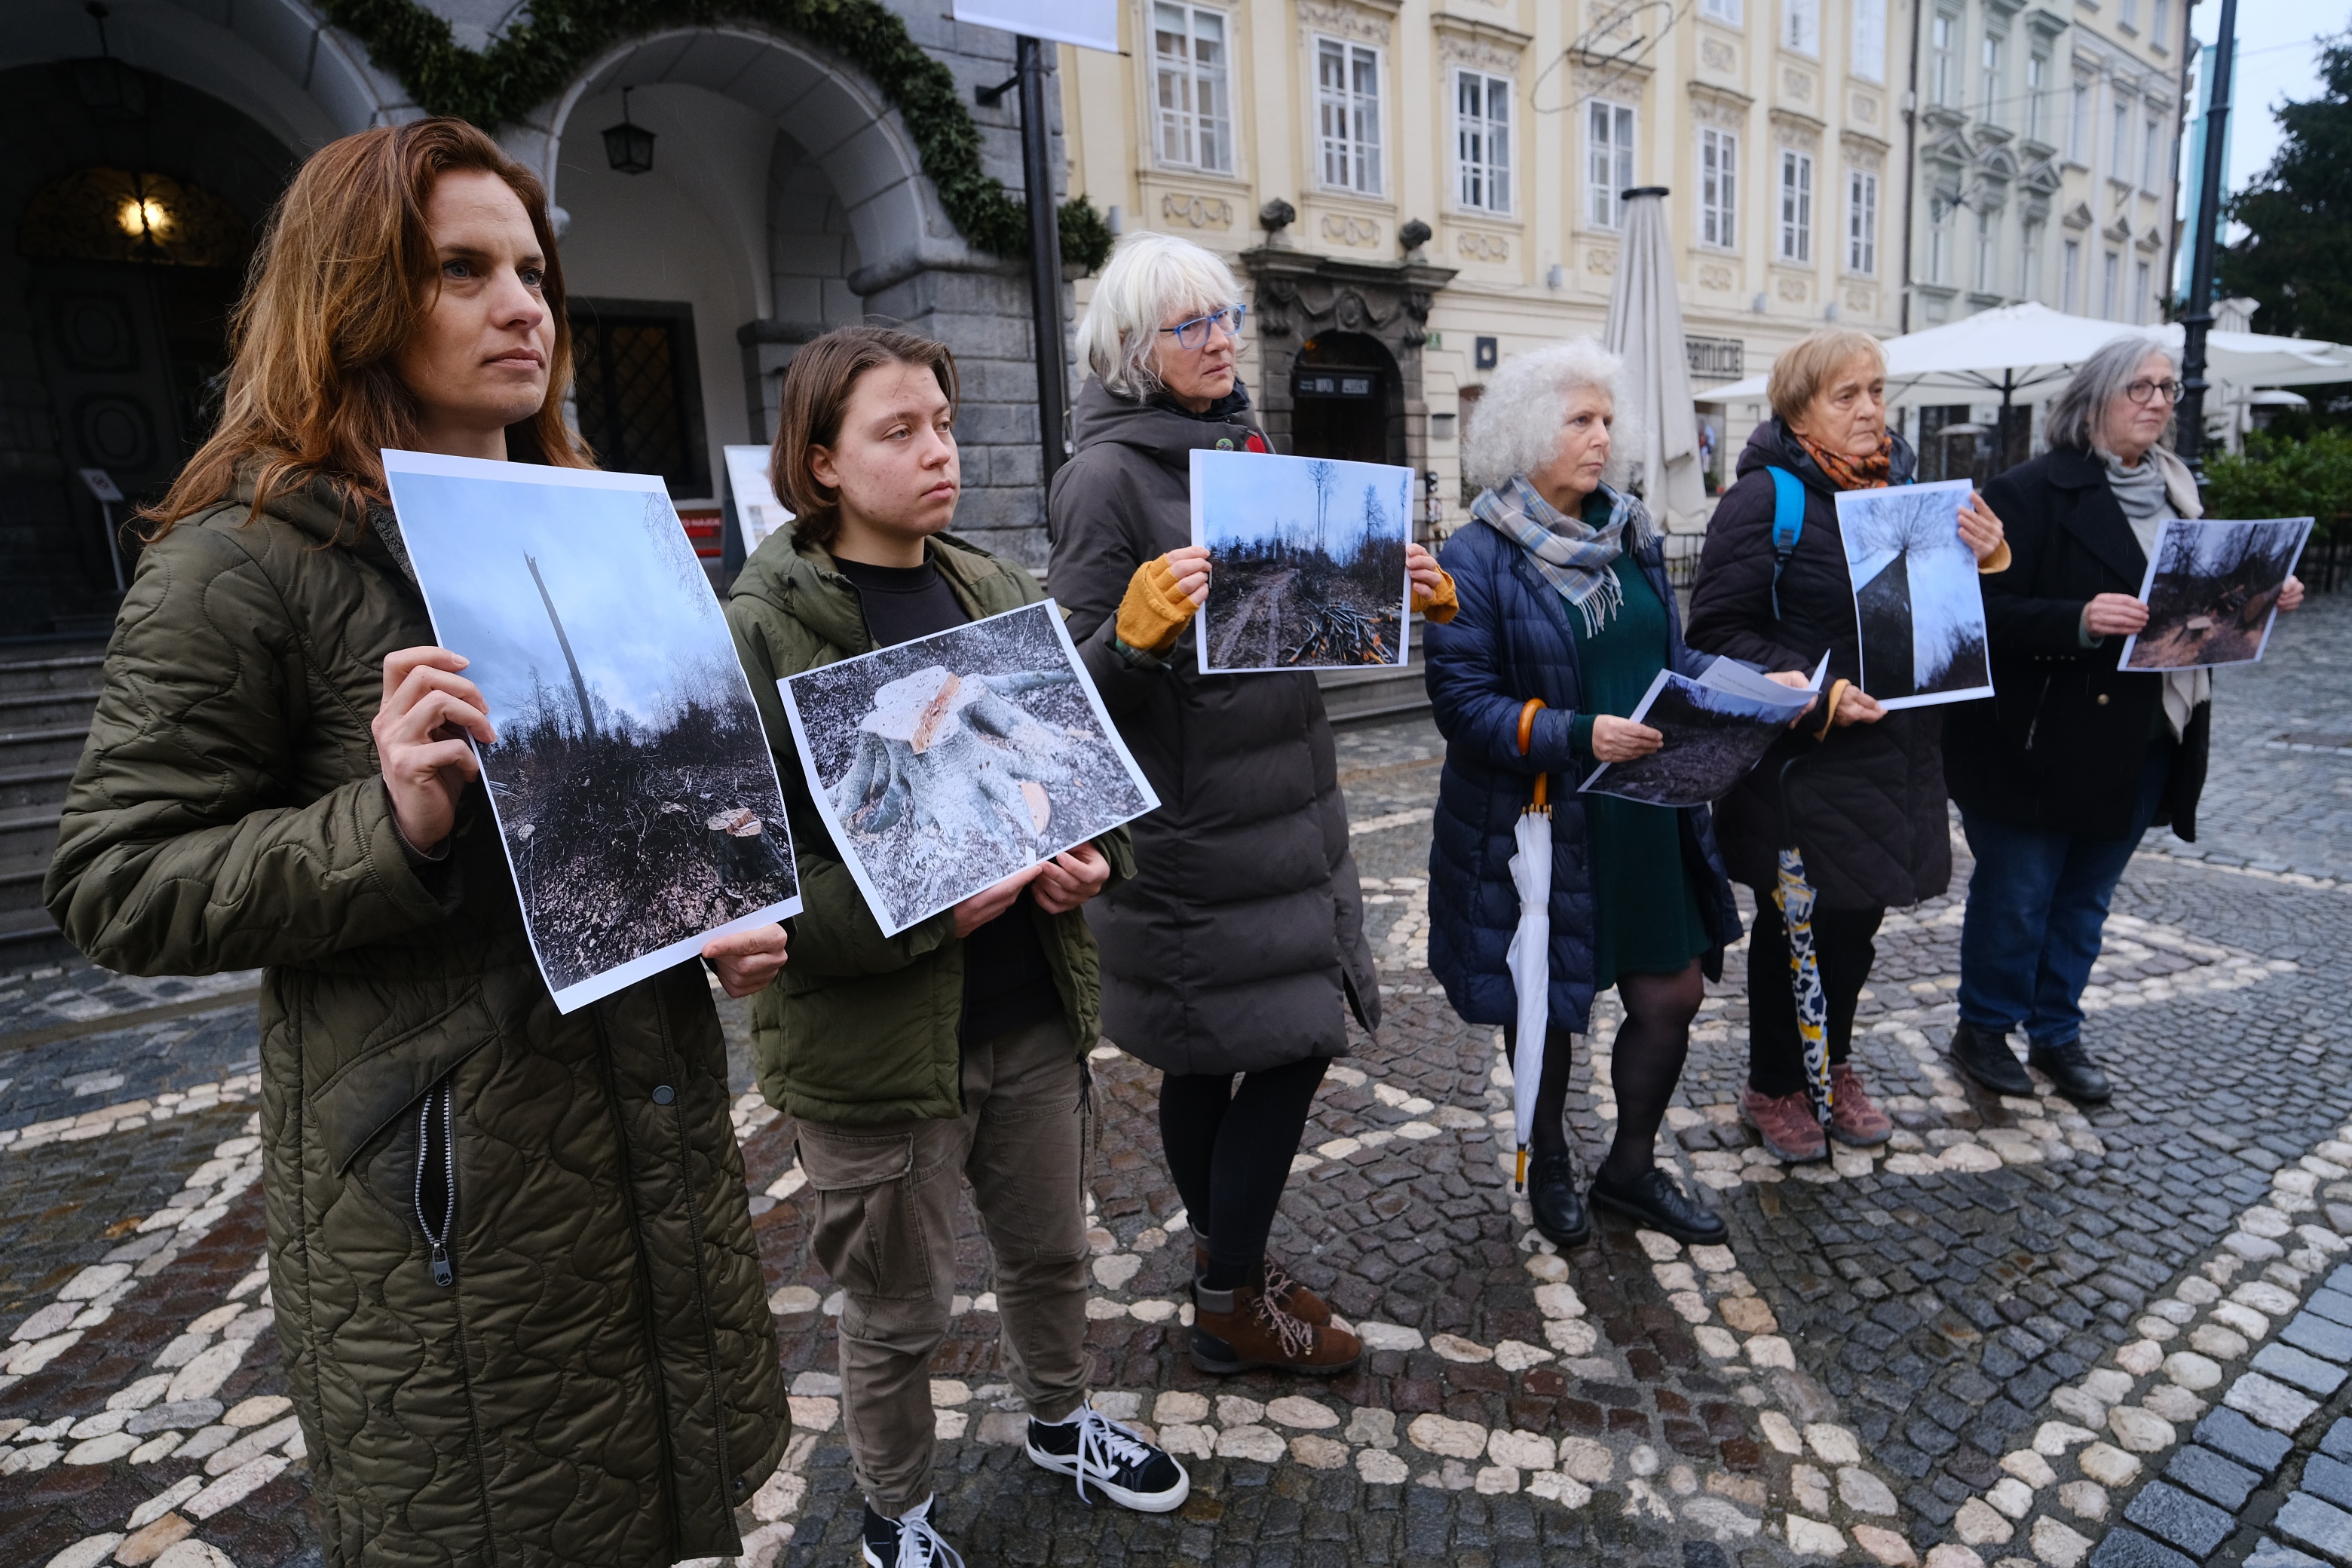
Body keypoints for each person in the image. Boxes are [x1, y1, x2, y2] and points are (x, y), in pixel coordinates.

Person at [42, 120, 790, 1566]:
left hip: (647, 1158)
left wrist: (708, 907)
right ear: (353, 295)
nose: (525, 307)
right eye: (461, 269)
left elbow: (622, 820)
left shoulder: (589, 528)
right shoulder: (239, 560)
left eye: (532, 270)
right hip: (446, 1208)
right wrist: (383, 822)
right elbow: (113, 881)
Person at [726, 326, 1190, 1566]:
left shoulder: (991, 588)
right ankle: (897, 1516)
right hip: (873, 1054)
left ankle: (1059, 1418)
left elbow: (1071, 772)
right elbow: (746, 884)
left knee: (1051, 1251)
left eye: (941, 421)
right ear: (819, 459)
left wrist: (1100, 858)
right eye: (899, 431)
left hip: (1028, 1012)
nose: (940, 452)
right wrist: (925, 908)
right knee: (895, 1313)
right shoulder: (760, 631)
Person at [1047, 231, 1453, 1376]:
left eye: (1225, 316)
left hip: (1286, 803)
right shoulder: (1104, 477)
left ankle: (1231, 1258)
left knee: (1235, 1051)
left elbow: (1303, 625)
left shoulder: (1246, 447)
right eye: (1192, 325)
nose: (1223, 339)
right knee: (1270, 1046)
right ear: (1134, 348)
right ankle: (1230, 1296)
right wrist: (1131, 637)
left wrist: (1410, 599)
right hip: (1192, 834)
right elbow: (1070, 684)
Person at [1426, 338, 1750, 1248]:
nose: (1602, 437)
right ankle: (1552, 1162)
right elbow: (1464, 705)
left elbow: (1668, 660)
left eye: (1608, 419)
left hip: (1646, 811)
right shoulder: (1477, 556)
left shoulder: (1634, 533)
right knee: (1549, 1004)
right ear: (1530, 434)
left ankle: (1632, 1166)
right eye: (1581, 420)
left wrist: (1752, 687)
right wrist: (1576, 733)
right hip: (1540, 818)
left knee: (1672, 996)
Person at [1945, 337, 2304, 1102]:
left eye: (2168, 388)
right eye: (2138, 386)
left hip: (2144, 736)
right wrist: (2078, 618)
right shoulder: (2026, 492)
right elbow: (1977, 616)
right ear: (2095, 399)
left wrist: (2261, 594)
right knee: (2019, 894)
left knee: (2085, 900)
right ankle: (1983, 1026)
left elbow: (2198, 609)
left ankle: (2056, 1031)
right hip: (2036, 739)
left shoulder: (2182, 495)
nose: (2157, 400)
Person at [1686, 329, 2009, 1162]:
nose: (1871, 410)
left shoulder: (1911, 493)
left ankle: (1833, 1064)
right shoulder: (1766, 500)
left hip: (1896, 758)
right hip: (1804, 760)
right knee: (1793, 927)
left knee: (1856, 927)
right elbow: (1717, 634)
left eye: (1876, 390)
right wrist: (1816, 693)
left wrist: (1990, 560)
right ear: (1800, 412)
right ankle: (1773, 1084)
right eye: (1847, 395)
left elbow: (1942, 627)